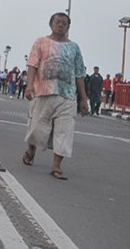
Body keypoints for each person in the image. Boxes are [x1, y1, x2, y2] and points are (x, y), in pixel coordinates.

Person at [22, 12, 88, 181]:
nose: (61, 25)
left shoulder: (74, 48)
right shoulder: (41, 42)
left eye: (64, 23)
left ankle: (56, 166)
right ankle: (31, 148)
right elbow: (32, 65)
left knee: (65, 131)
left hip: (67, 96)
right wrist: (29, 86)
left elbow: (80, 73)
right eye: (57, 22)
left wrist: (83, 99)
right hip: (43, 92)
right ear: (51, 24)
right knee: (37, 126)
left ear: (68, 27)